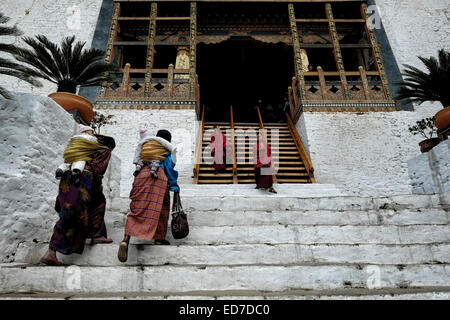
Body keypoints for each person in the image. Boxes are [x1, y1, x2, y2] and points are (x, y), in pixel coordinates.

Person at [40, 128, 116, 265]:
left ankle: (96, 234)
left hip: (76, 179)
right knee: (71, 212)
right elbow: (97, 169)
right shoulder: (102, 151)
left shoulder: (84, 147)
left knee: (98, 202)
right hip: (80, 180)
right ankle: (51, 252)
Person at [118, 129, 180, 263]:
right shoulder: (166, 151)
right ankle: (158, 238)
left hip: (141, 176)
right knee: (162, 208)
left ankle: (125, 239)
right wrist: (174, 186)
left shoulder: (146, 150)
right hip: (158, 178)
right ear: (168, 140)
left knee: (137, 209)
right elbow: (170, 168)